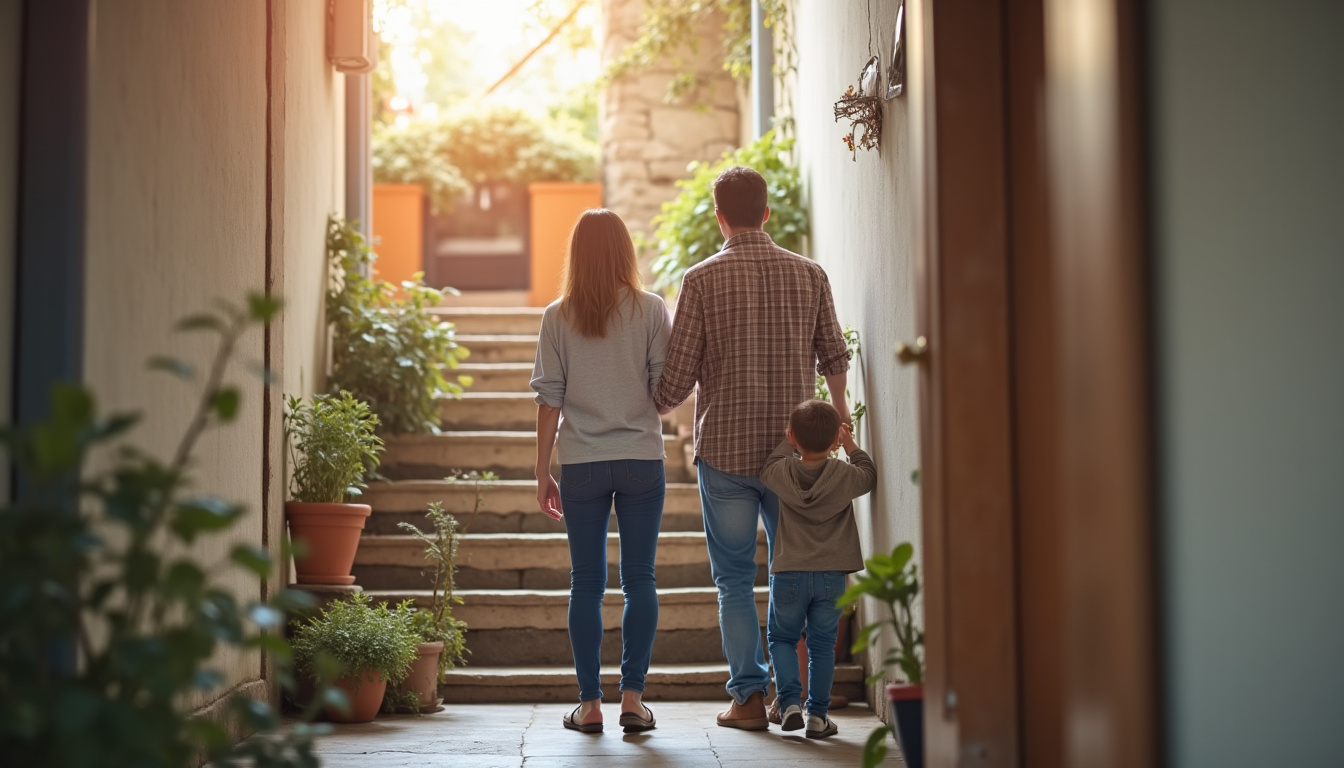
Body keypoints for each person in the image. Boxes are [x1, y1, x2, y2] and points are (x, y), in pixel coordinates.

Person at [653, 166, 851, 729]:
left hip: (726, 454)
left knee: (735, 581)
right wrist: (838, 418)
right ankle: (796, 699)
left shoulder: (700, 279)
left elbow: (675, 382)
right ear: (766, 213)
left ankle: (747, 701)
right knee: (797, 577)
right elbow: (834, 354)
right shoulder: (809, 274)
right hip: (797, 459)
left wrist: (648, 398)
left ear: (719, 217)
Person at [531, 209, 671, 735]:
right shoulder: (651, 309)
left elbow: (549, 401)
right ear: (624, 251)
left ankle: (589, 706)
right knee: (641, 579)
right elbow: (664, 393)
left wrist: (542, 472)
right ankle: (632, 700)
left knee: (586, 584)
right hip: (641, 459)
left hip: (582, 464)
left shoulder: (556, 316)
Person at [760, 400, 876, 739]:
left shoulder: (782, 471)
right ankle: (818, 716)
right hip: (831, 576)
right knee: (822, 645)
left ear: (792, 436)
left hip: (789, 573)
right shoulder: (844, 475)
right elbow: (868, 474)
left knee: (782, 638)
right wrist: (849, 444)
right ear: (835, 439)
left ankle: (789, 704)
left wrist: (789, 440)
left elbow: (770, 465)